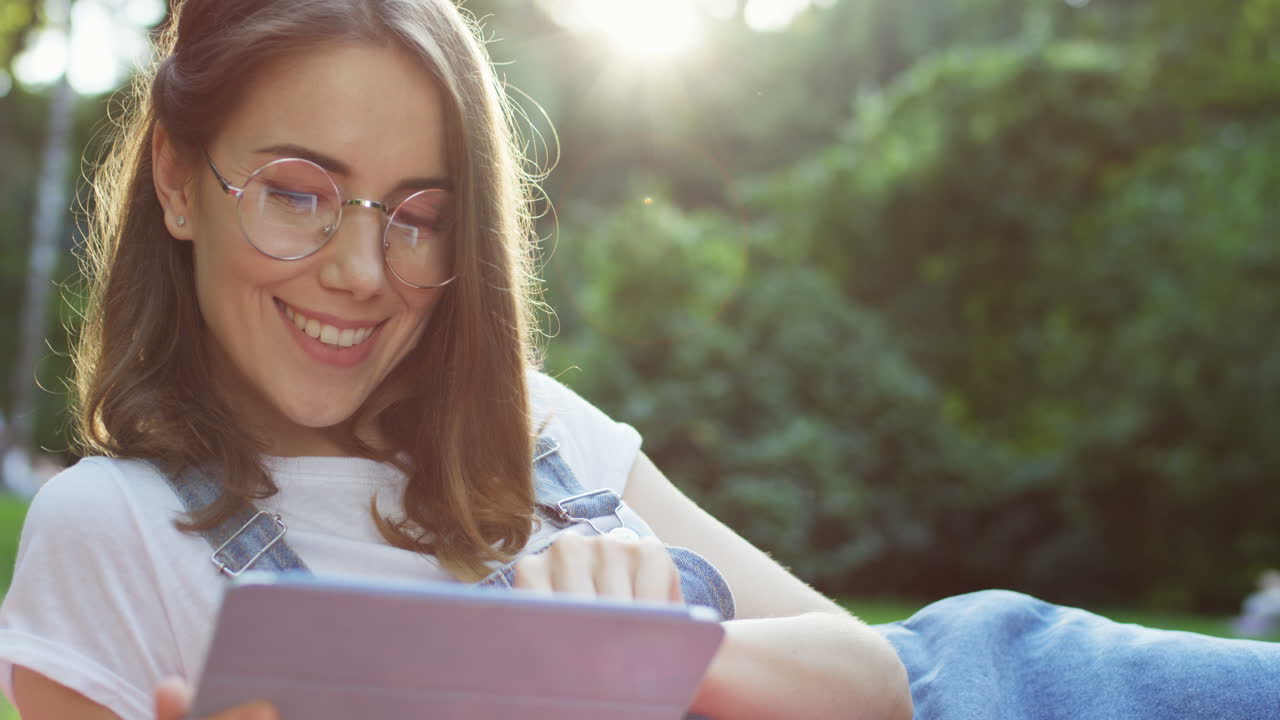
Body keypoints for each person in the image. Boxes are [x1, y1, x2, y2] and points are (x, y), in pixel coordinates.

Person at [2, 2, 1279, 720]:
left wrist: (654, 649)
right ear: (177, 181)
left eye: (418, 211)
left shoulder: (535, 423)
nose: (361, 268)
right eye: (296, 192)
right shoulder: (110, 533)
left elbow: (878, 675)